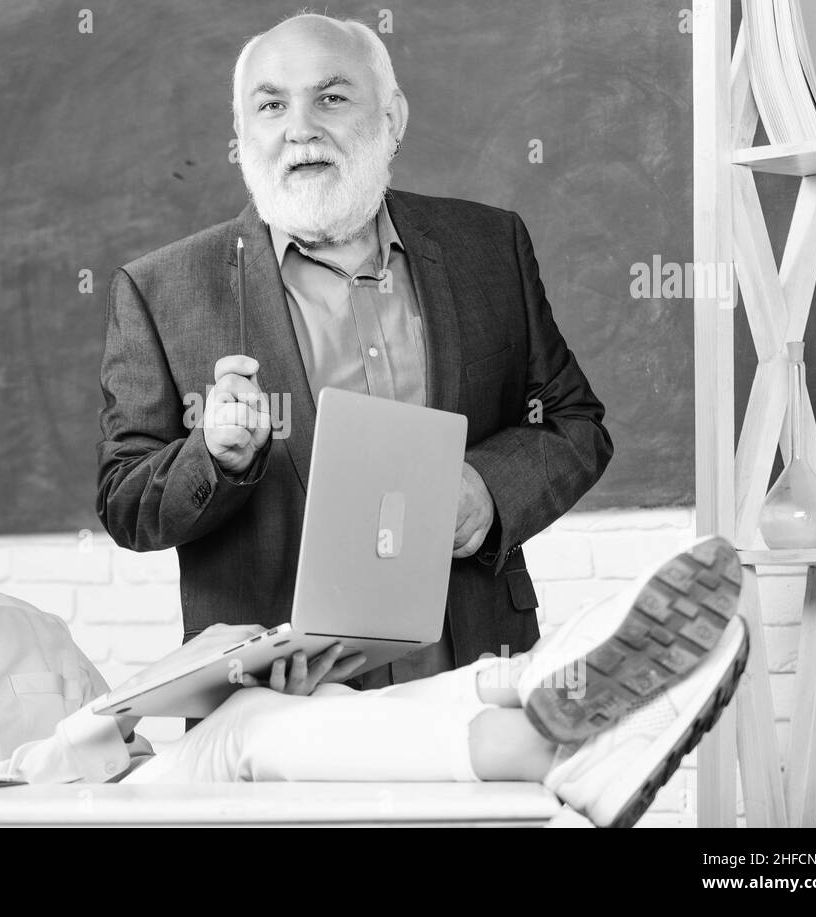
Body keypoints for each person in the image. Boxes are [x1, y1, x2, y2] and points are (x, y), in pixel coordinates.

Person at [0, 343, 746, 828]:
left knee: (287, 700)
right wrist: (77, 744)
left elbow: (131, 751)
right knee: (249, 729)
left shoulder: (25, 622)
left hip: (121, 814)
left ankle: (547, 698)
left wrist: (192, 682)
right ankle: (550, 726)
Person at [97, 12, 613, 689]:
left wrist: (487, 489)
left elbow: (573, 422)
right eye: (272, 104)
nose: (300, 127)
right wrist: (213, 457)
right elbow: (124, 500)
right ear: (243, 133)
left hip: (477, 675)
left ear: (392, 119)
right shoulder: (162, 289)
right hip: (278, 703)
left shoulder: (489, 248)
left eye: (332, 98)